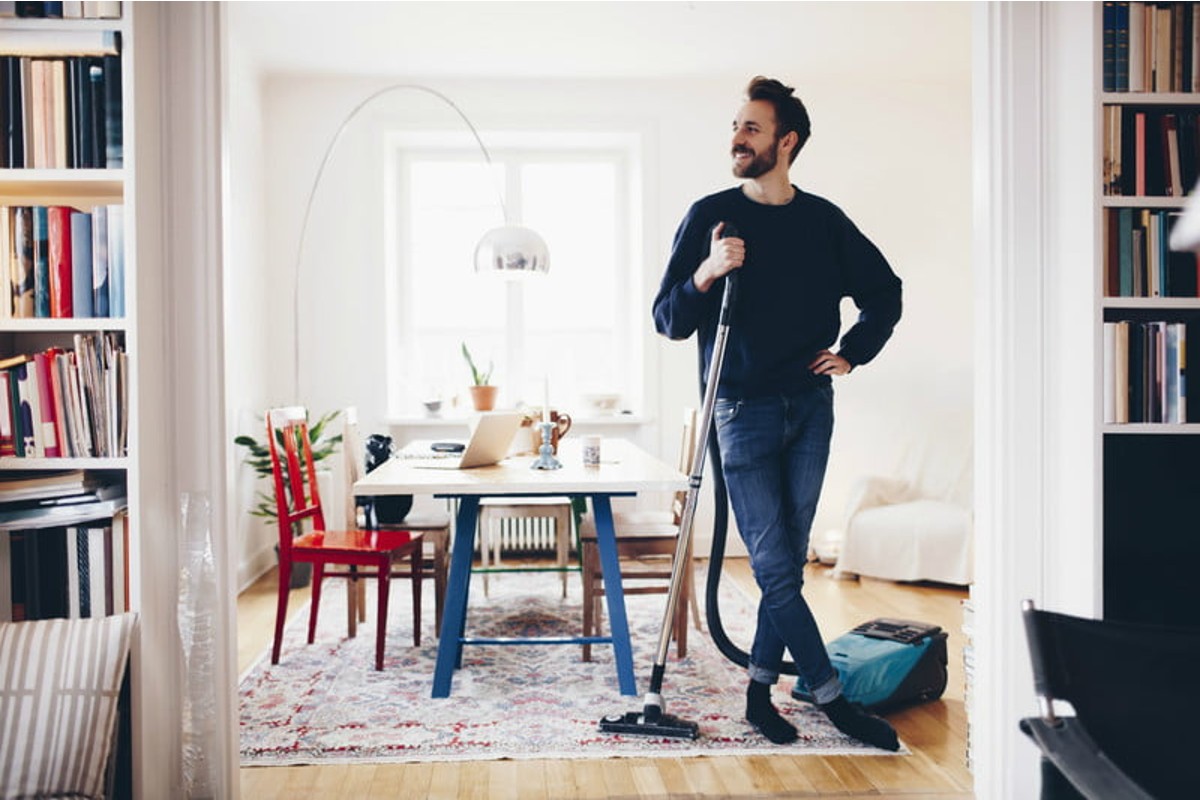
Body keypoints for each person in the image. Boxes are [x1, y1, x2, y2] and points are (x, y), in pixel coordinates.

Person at [652, 76, 903, 750]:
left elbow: (886, 292)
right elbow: (668, 320)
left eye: (753, 128)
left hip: (810, 408)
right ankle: (831, 697)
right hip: (740, 411)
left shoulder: (824, 222)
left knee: (784, 560)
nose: (738, 137)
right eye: (736, 126)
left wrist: (853, 352)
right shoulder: (713, 216)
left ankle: (759, 694)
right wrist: (706, 272)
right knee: (773, 565)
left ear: (786, 141)